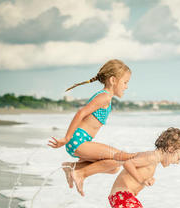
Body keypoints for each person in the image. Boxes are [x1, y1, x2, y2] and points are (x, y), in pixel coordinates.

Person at [48, 59, 135, 196]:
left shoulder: (106, 98)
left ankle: (72, 167)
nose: (126, 87)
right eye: (125, 82)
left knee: (113, 168)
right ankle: (80, 173)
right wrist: (66, 138)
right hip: (78, 140)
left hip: (81, 140)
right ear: (113, 80)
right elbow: (81, 113)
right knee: (120, 157)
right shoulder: (104, 97)